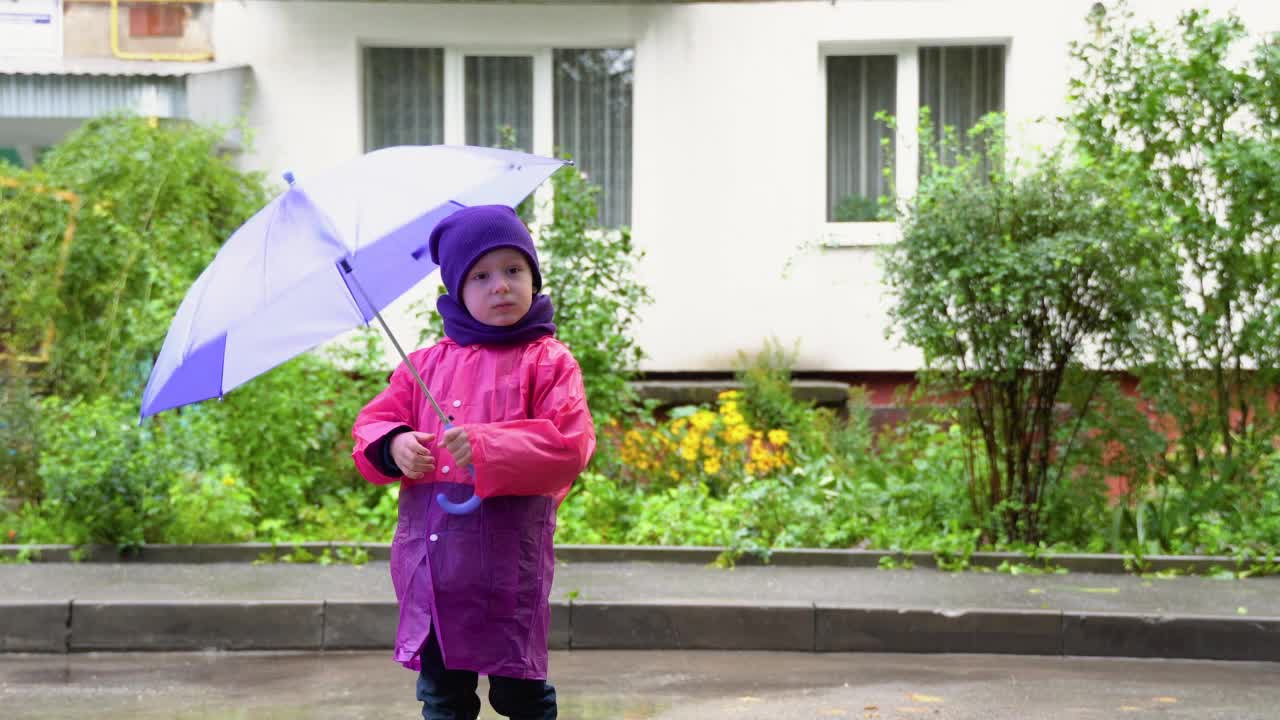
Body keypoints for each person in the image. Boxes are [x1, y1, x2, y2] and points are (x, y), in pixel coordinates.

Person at [351, 204, 595, 720]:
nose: (500, 286)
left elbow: (568, 447)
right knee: (443, 696)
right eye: (480, 276)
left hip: (508, 566)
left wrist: (488, 447)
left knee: (519, 693)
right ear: (456, 290)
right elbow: (371, 425)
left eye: (513, 270)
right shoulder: (422, 367)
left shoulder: (548, 361)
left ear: (533, 276)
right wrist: (393, 444)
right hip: (434, 570)